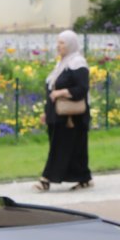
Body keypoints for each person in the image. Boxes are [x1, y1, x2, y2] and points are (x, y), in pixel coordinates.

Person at [38, 29, 91, 191]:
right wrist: (46, 112)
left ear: (71, 44)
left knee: (60, 147)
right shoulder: (62, 64)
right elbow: (51, 89)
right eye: (58, 42)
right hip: (57, 114)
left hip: (72, 117)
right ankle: (83, 177)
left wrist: (60, 93)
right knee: (73, 149)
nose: (58, 46)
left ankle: (46, 179)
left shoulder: (78, 64)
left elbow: (82, 89)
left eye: (62, 43)